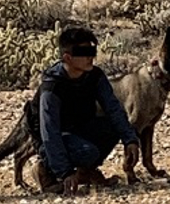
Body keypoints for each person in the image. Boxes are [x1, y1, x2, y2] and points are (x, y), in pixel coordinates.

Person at [35, 26, 140, 194]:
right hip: (54, 137)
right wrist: (65, 172)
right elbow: (49, 131)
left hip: (80, 128)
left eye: (92, 51)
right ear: (67, 58)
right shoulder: (52, 86)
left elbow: (114, 109)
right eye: (83, 53)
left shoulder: (95, 76)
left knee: (114, 127)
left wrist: (130, 140)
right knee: (87, 152)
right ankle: (46, 170)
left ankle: (86, 172)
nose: (90, 57)